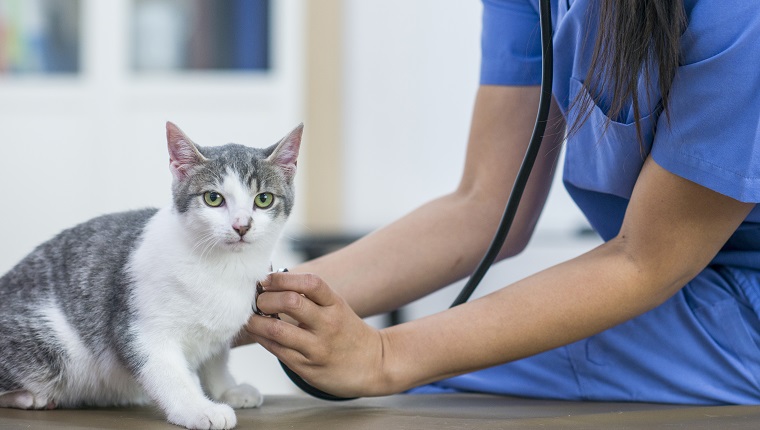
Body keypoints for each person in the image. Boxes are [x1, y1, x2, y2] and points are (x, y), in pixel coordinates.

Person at [243, 0, 760, 404]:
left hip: (730, 305)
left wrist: (382, 355)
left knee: (434, 393)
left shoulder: (740, 15)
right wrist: (223, 308)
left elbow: (647, 260)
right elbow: (481, 208)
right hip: (674, 285)